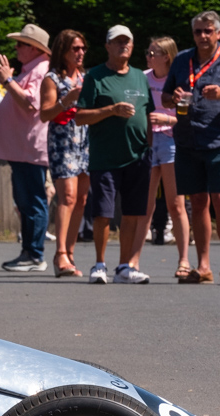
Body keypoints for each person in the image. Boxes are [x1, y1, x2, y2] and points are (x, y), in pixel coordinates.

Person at [162, 10, 220, 286]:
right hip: (188, 140)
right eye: (198, 31)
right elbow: (166, 97)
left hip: (219, 140)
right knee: (197, 201)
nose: (203, 36)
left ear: (218, 33)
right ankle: (203, 266)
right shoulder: (181, 60)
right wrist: (173, 97)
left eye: (208, 31)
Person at [75, 25, 156, 284]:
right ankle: (99, 265)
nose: (123, 45)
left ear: (132, 46)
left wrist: (151, 145)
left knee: (133, 213)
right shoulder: (95, 77)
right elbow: (79, 117)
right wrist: (111, 110)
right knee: (103, 213)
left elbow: (148, 114)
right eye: (117, 42)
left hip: (138, 156)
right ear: (107, 46)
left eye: (127, 42)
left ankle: (124, 266)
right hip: (105, 157)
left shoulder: (140, 77)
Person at [0, 24, 53, 274]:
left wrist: (7, 80)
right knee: (26, 201)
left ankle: (34, 254)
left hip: (30, 148)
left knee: (33, 201)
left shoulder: (41, 70)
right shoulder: (32, 69)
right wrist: (8, 80)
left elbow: (30, 105)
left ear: (34, 49)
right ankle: (29, 253)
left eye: (21, 44)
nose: (16, 48)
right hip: (23, 148)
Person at [39, 29, 89, 277]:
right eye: (75, 49)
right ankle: (60, 254)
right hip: (62, 139)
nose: (80, 53)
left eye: (82, 49)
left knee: (81, 199)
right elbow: (44, 114)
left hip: (85, 139)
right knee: (67, 196)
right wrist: (66, 99)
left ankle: (70, 252)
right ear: (63, 52)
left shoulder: (87, 77)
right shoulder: (52, 79)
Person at [142, 36, 192, 278]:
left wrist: (167, 119)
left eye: (153, 53)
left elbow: (190, 117)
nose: (148, 56)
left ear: (167, 57)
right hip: (149, 142)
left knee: (176, 204)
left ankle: (184, 261)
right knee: (144, 204)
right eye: (148, 52)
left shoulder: (179, 81)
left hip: (172, 141)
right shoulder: (143, 77)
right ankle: (131, 262)